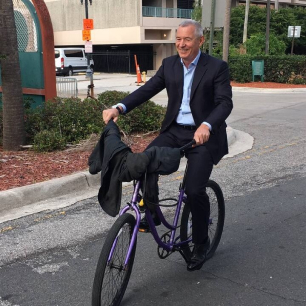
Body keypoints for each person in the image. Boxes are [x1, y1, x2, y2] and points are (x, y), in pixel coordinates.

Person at [103, 20, 233, 271]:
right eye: (178, 40)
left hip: (203, 134)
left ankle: (201, 243)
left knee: (195, 190)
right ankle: (150, 211)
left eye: (187, 40)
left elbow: (224, 103)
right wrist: (119, 107)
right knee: (144, 162)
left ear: (200, 41)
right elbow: (147, 89)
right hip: (175, 131)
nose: (181, 44)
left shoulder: (216, 67)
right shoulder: (170, 64)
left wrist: (207, 125)